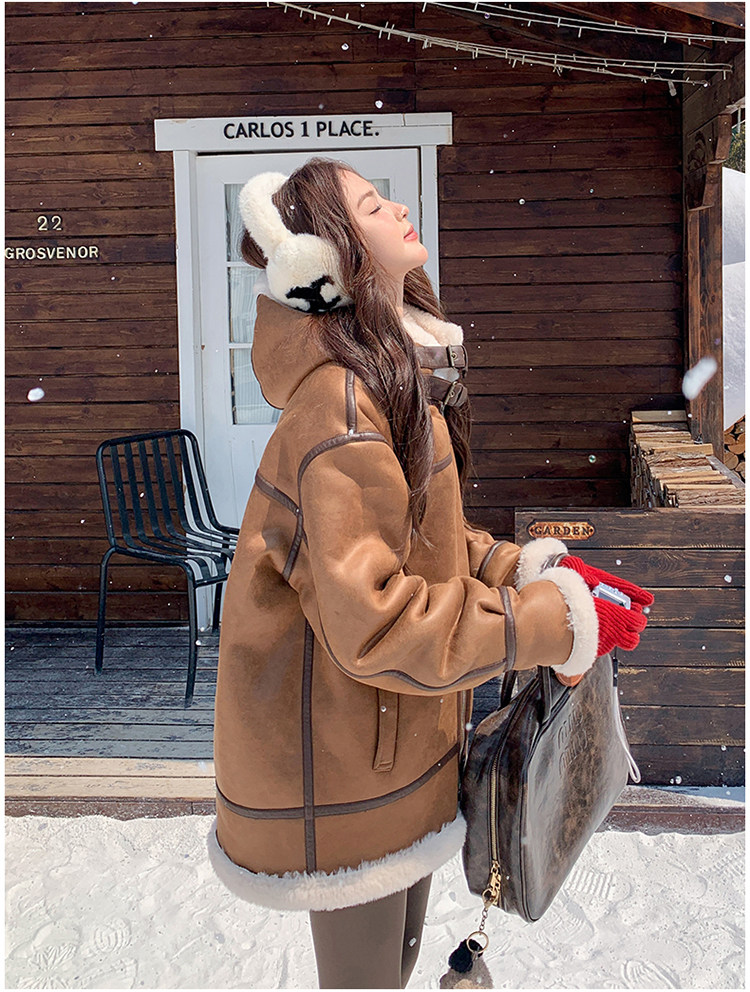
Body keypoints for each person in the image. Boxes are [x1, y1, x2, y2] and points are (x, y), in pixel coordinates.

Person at [206, 156, 652, 989]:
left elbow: (423, 538)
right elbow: (375, 621)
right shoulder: (341, 405)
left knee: (398, 963)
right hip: (343, 766)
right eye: (371, 205)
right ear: (328, 257)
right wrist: (545, 626)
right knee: (368, 980)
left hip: (396, 745)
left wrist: (526, 570)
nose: (398, 207)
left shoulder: (387, 377)